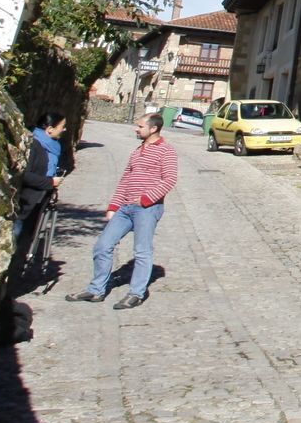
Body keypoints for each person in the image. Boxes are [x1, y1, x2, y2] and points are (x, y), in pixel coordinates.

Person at [66, 111, 178, 310]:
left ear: (153, 129)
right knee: (102, 246)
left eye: (140, 126)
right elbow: (125, 180)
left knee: (142, 252)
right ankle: (96, 289)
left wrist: (145, 199)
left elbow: (169, 180)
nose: (137, 129)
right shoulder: (137, 151)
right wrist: (113, 206)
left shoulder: (166, 151)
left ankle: (136, 293)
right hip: (125, 208)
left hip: (147, 209)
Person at [12, 111, 71, 245]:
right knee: (17, 238)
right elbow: (25, 175)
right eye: (62, 126)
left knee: (27, 239)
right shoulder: (35, 145)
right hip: (26, 203)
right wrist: (50, 182)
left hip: (39, 200)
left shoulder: (52, 147)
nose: (65, 129)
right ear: (50, 130)